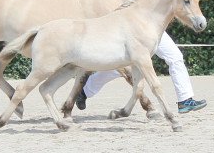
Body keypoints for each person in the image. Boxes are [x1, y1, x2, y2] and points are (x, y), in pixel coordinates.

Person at [76, 31, 207, 113]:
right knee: (122, 66)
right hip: (136, 26)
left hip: (156, 26)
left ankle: (185, 100)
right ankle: (85, 91)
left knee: (175, 57)